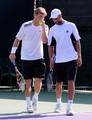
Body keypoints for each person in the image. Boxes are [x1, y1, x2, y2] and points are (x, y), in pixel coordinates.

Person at [9, 7, 49, 113]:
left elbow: (45, 41)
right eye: (40, 16)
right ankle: (28, 104)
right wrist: (13, 52)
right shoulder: (25, 25)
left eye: (43, 17)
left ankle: (35, 97)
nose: (41, 18)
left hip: (39, 58)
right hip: (26, 58)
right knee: (28, 82)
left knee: (39, 80)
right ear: (35, 15)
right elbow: (17, 39)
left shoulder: (45, 26)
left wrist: (44, 26)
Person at [48, 8, 82, 115]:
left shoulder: (71, 25)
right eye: (52, 18)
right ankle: (58, 104)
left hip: (72, 58)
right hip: (59, 60)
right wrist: (51, 59)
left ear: (60, 15)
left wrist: (79, 56)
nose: (53, 20)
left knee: (71, 82)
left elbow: (77, 41)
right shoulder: (52, 29)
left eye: (55, 18)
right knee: (58, 83)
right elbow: (51, 46)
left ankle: (69, 106)